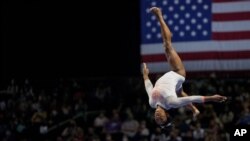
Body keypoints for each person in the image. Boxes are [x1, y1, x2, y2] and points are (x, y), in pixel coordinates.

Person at [142, 7, 227, 129]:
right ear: (166, 114)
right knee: (167, 46)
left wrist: (145, 76)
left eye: (157, 120)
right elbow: (192, 98)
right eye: (161, 118)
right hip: (178, 73)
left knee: (180, 91)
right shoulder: (171, 102)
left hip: (174, 84)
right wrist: (211, 98)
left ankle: (194, 109)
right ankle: (159, 15)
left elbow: (149, 88)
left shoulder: (152, 103)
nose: (157, 117)